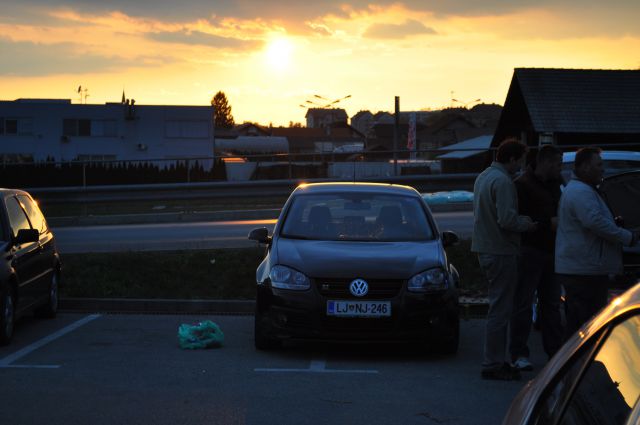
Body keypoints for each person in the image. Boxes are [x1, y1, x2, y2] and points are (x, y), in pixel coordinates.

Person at [555, 147, 639, 339]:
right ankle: (577, 365)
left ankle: (573, 364)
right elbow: (595, 223)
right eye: (599, 165)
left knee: (580, 323)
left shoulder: (583, 190)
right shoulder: (581, 193)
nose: (603, 170)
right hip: (584, 269)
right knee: (586, 325)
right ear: (585, 167)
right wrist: (627, 236)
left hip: (584, 267)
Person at [472, 138, 537, 381]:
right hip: (501, 250)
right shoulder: (504, 182)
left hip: (486, 248)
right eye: (520, 160)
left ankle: (494, 360)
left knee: (496, 306)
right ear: (512, 158)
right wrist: (528, 225)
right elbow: (507, 220)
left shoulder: (484, 177)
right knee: (500, 309)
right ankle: (494, 363)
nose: (522, 165)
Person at [509, 145, 564, 371]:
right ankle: (519, 353)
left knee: (551, 304)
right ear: (547, 162)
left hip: (551, 251)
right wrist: (546, 223)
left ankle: (555, 354)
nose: (560, 168)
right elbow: (519, 219)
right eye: (558, 164)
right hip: (530, 251)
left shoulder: (555, 183)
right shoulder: (521, 185)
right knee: (523, 303)